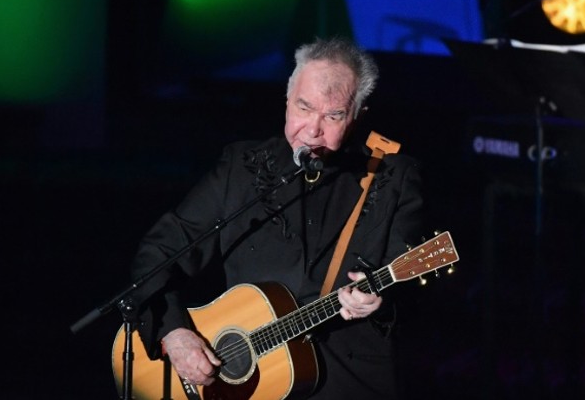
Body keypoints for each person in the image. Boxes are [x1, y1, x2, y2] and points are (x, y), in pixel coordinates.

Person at [129, 37, 427, 399]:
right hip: (247, 385)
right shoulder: (242, 168)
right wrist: (173, 333)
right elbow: (159, 252)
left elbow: (412, 285)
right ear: (287, 101)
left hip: (346, 381)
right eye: (304, 108)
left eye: (332, 116)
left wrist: (381, 301)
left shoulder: (393, 176)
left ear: (356, 117)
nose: (313, 130)